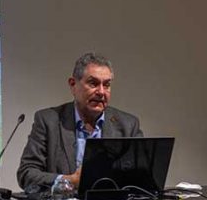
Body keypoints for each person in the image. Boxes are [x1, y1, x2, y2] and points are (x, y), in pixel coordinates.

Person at [16, 53, 143, 192]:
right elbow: (26, 173)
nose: (101, 92)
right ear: (73, 85)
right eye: (93, 83)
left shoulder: (128, 125)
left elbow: (142, 175)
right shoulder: (48, 121)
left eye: (106, 85)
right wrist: (68, 181)